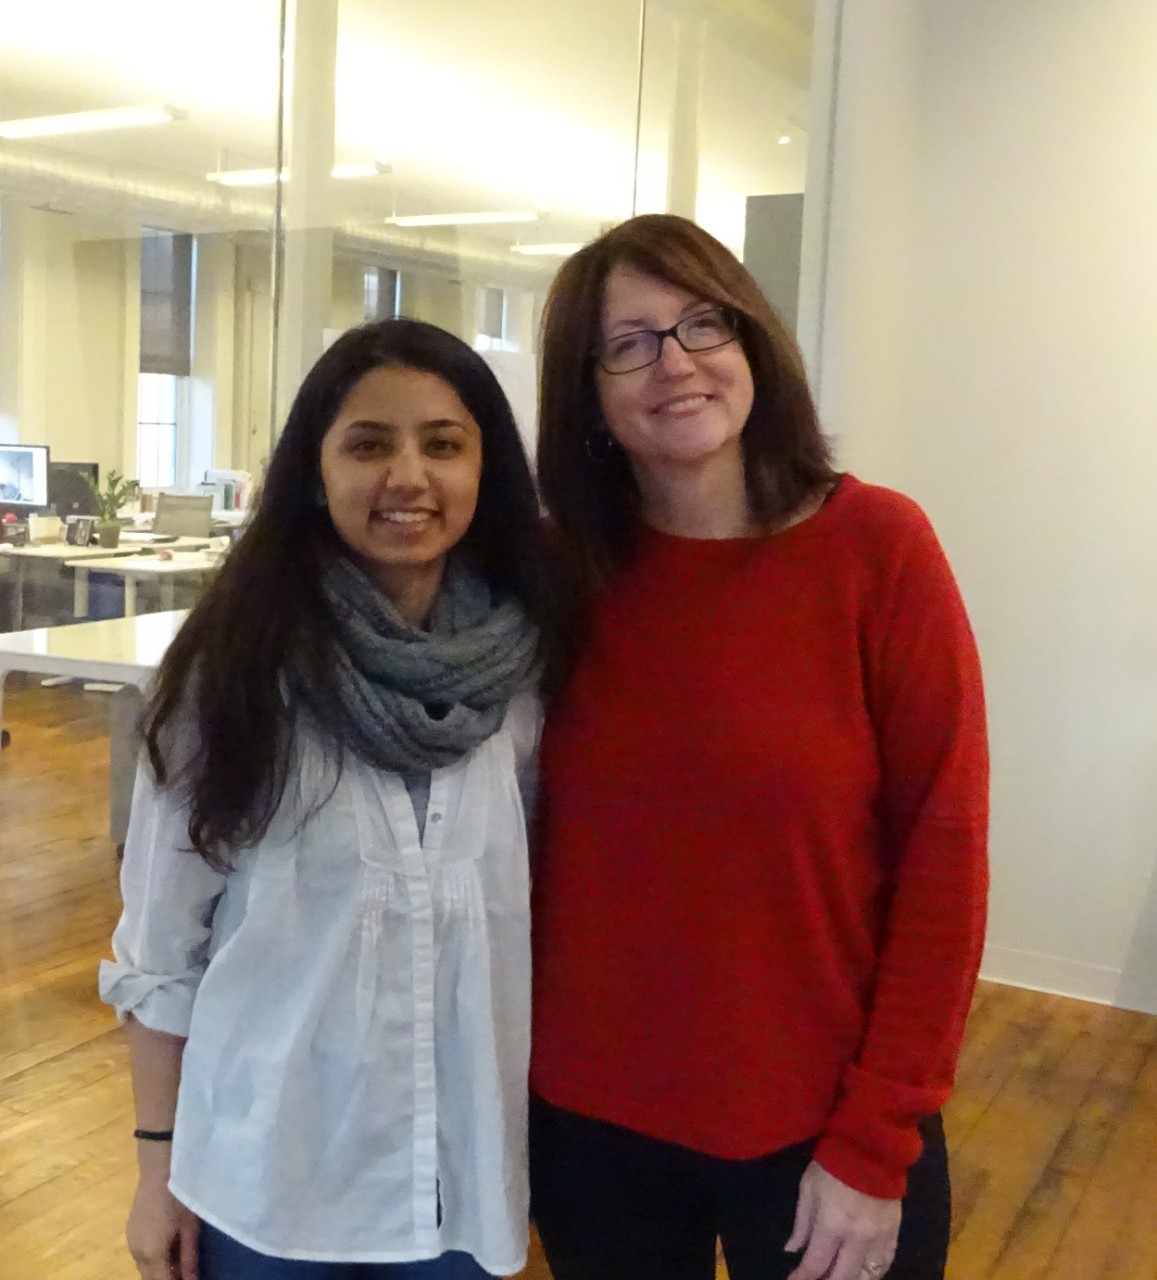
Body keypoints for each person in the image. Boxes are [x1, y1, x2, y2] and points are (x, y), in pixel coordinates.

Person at [529, 214, 989, 1280]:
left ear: (752, 342)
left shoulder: (876, 549)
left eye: (703, 323)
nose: (675, 362)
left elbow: (944, 857)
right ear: (586, 391)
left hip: (821, 1121)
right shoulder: (555, 574)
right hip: (592, 1124)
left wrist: (876, 1137)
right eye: (628, 343)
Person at [99, 318, 554, 1280]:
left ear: (486, 471)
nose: (408, 477)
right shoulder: (230, 675)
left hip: (456, 1177)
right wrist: (153, 1169)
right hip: (267, 1179)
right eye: (368, 444)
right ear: (313, 472)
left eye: (443, 444)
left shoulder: (528, 677)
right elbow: (160, 949)